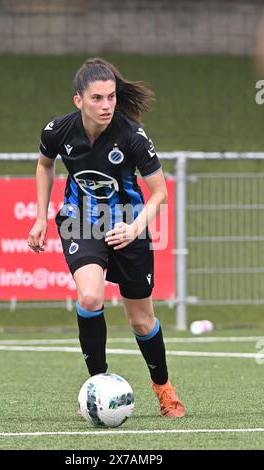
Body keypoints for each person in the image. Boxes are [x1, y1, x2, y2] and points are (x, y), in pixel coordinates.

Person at [28, 58, 185, 418]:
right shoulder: (58, 131)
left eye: (111, 97)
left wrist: (134, 228)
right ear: (77, 100)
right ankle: (96, 388)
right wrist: (40, 217)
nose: (106, 105)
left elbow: (160, 193)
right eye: (97, 98)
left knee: (141, 321)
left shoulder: (131, 136)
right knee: (90, 295)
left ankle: (164, 389)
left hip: (130, 225)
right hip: (80, 222)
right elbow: (44, 164)